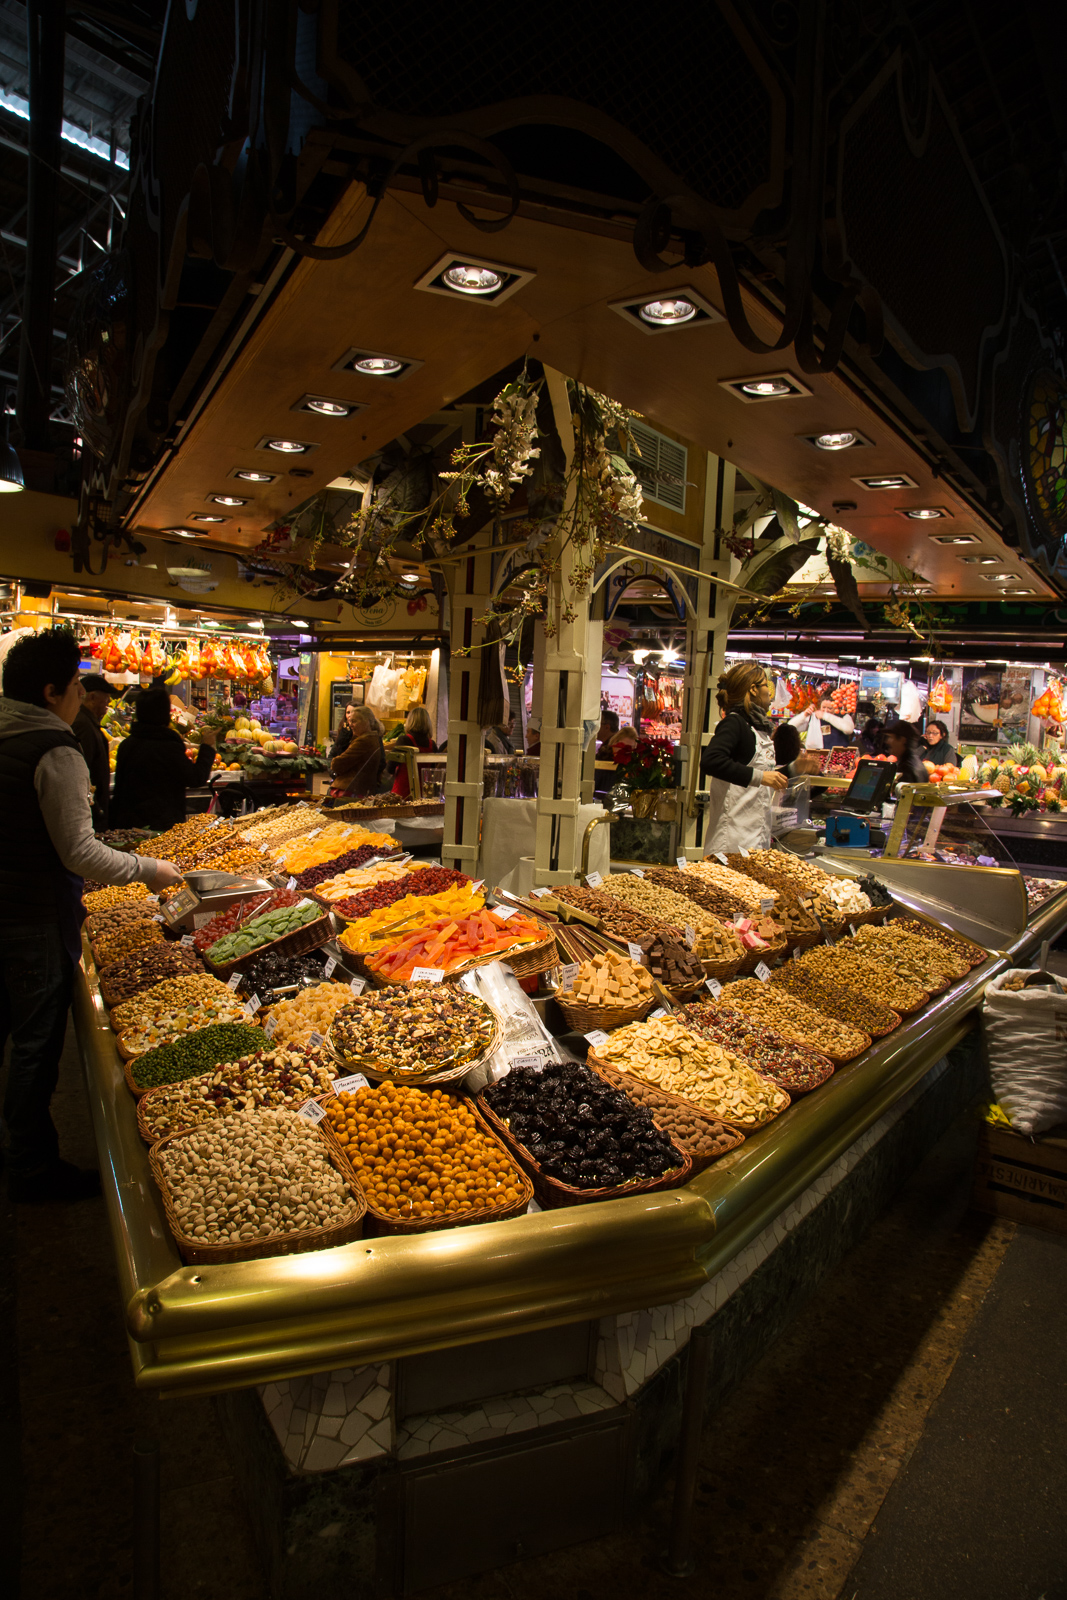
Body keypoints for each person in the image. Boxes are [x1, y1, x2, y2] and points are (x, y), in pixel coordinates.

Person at [0, 629, 181, 1201]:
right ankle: (31, 1168)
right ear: (52, 691)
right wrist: (149, 869)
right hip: (30, 914)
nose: (83, 694)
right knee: (34, 1041)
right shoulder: (55, 749)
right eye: (77, 684)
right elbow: (78, 851)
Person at [700, 662, 788, 856]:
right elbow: (711, 760)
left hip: (755, 838)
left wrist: (795, 768)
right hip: (731, 843)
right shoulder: (734, 723)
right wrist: (760, 777)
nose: (770, 693)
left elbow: (760, 771)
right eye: (767, 685)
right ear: (753, 689)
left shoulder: (756, 728)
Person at [111, 688, 217, 830]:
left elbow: (120, 789)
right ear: (164, 713)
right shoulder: (168, 746)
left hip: (130, 825)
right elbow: (195, 778)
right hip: (163, 826)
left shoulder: (127, 745)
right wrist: (207, 747)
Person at [72, 672, 116, 832]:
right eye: (105, 699)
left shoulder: (87, 722)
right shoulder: (83, 725)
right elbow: (84, 769)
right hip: (91, 814)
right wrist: (97, 809)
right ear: (92, 697)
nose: (108, 703)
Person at [329, 705, 386, 797]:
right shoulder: (372, 738)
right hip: (360, 789)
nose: (351, 725)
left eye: (354, 721)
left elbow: (337, 764)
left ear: (367, 722)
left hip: (351, 791)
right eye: (350, 721)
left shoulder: (364, 741)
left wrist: (334, 762)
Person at [387, 705, 436, 798]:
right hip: (423, 795)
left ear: (410, 721)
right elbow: (433, 772)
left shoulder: (404, 740)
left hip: (402, 793)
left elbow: (390, 768)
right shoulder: (432, 744)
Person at [790, 697, 854, 750]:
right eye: (823, 707)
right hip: (817, 757)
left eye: (829, 708)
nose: (826, 711)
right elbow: (790, 727)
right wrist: (803, 715)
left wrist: (825, 716)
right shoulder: (814, 719)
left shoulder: (844, 716)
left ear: (836, 707)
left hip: (838, 756)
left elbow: (848, 729)